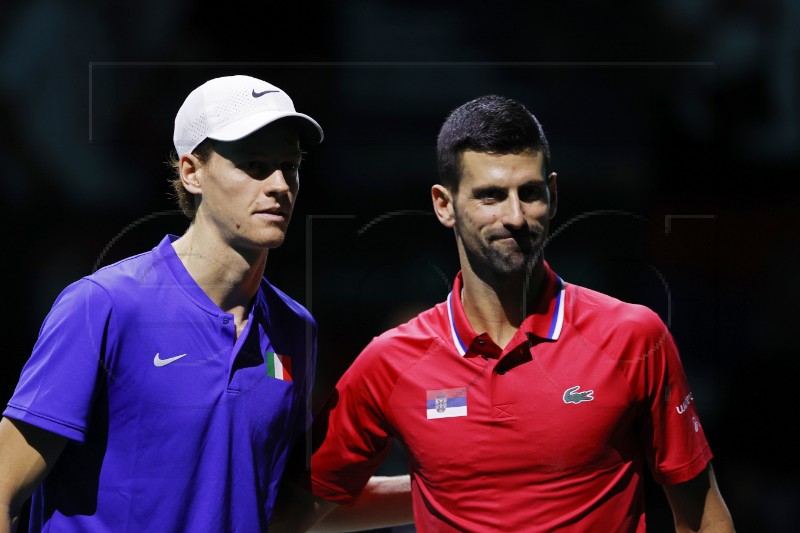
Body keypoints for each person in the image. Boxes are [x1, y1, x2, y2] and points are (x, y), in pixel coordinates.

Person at [307, 95, 735, 531]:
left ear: (552, 194)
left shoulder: (634, 335)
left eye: (529, 193)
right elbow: (299, 510)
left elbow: (703, 519)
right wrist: (440, 490)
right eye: (490, 196)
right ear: (444, 204)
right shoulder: (390, 361)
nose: (515, 216)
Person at [0, 74, 405, 533]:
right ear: (192, 173)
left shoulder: (296, 328)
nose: (279, 185)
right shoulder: (103, 305)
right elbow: (2, 489)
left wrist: (463, 486)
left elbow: (280, 507)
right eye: (254, 165)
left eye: (289, 166)